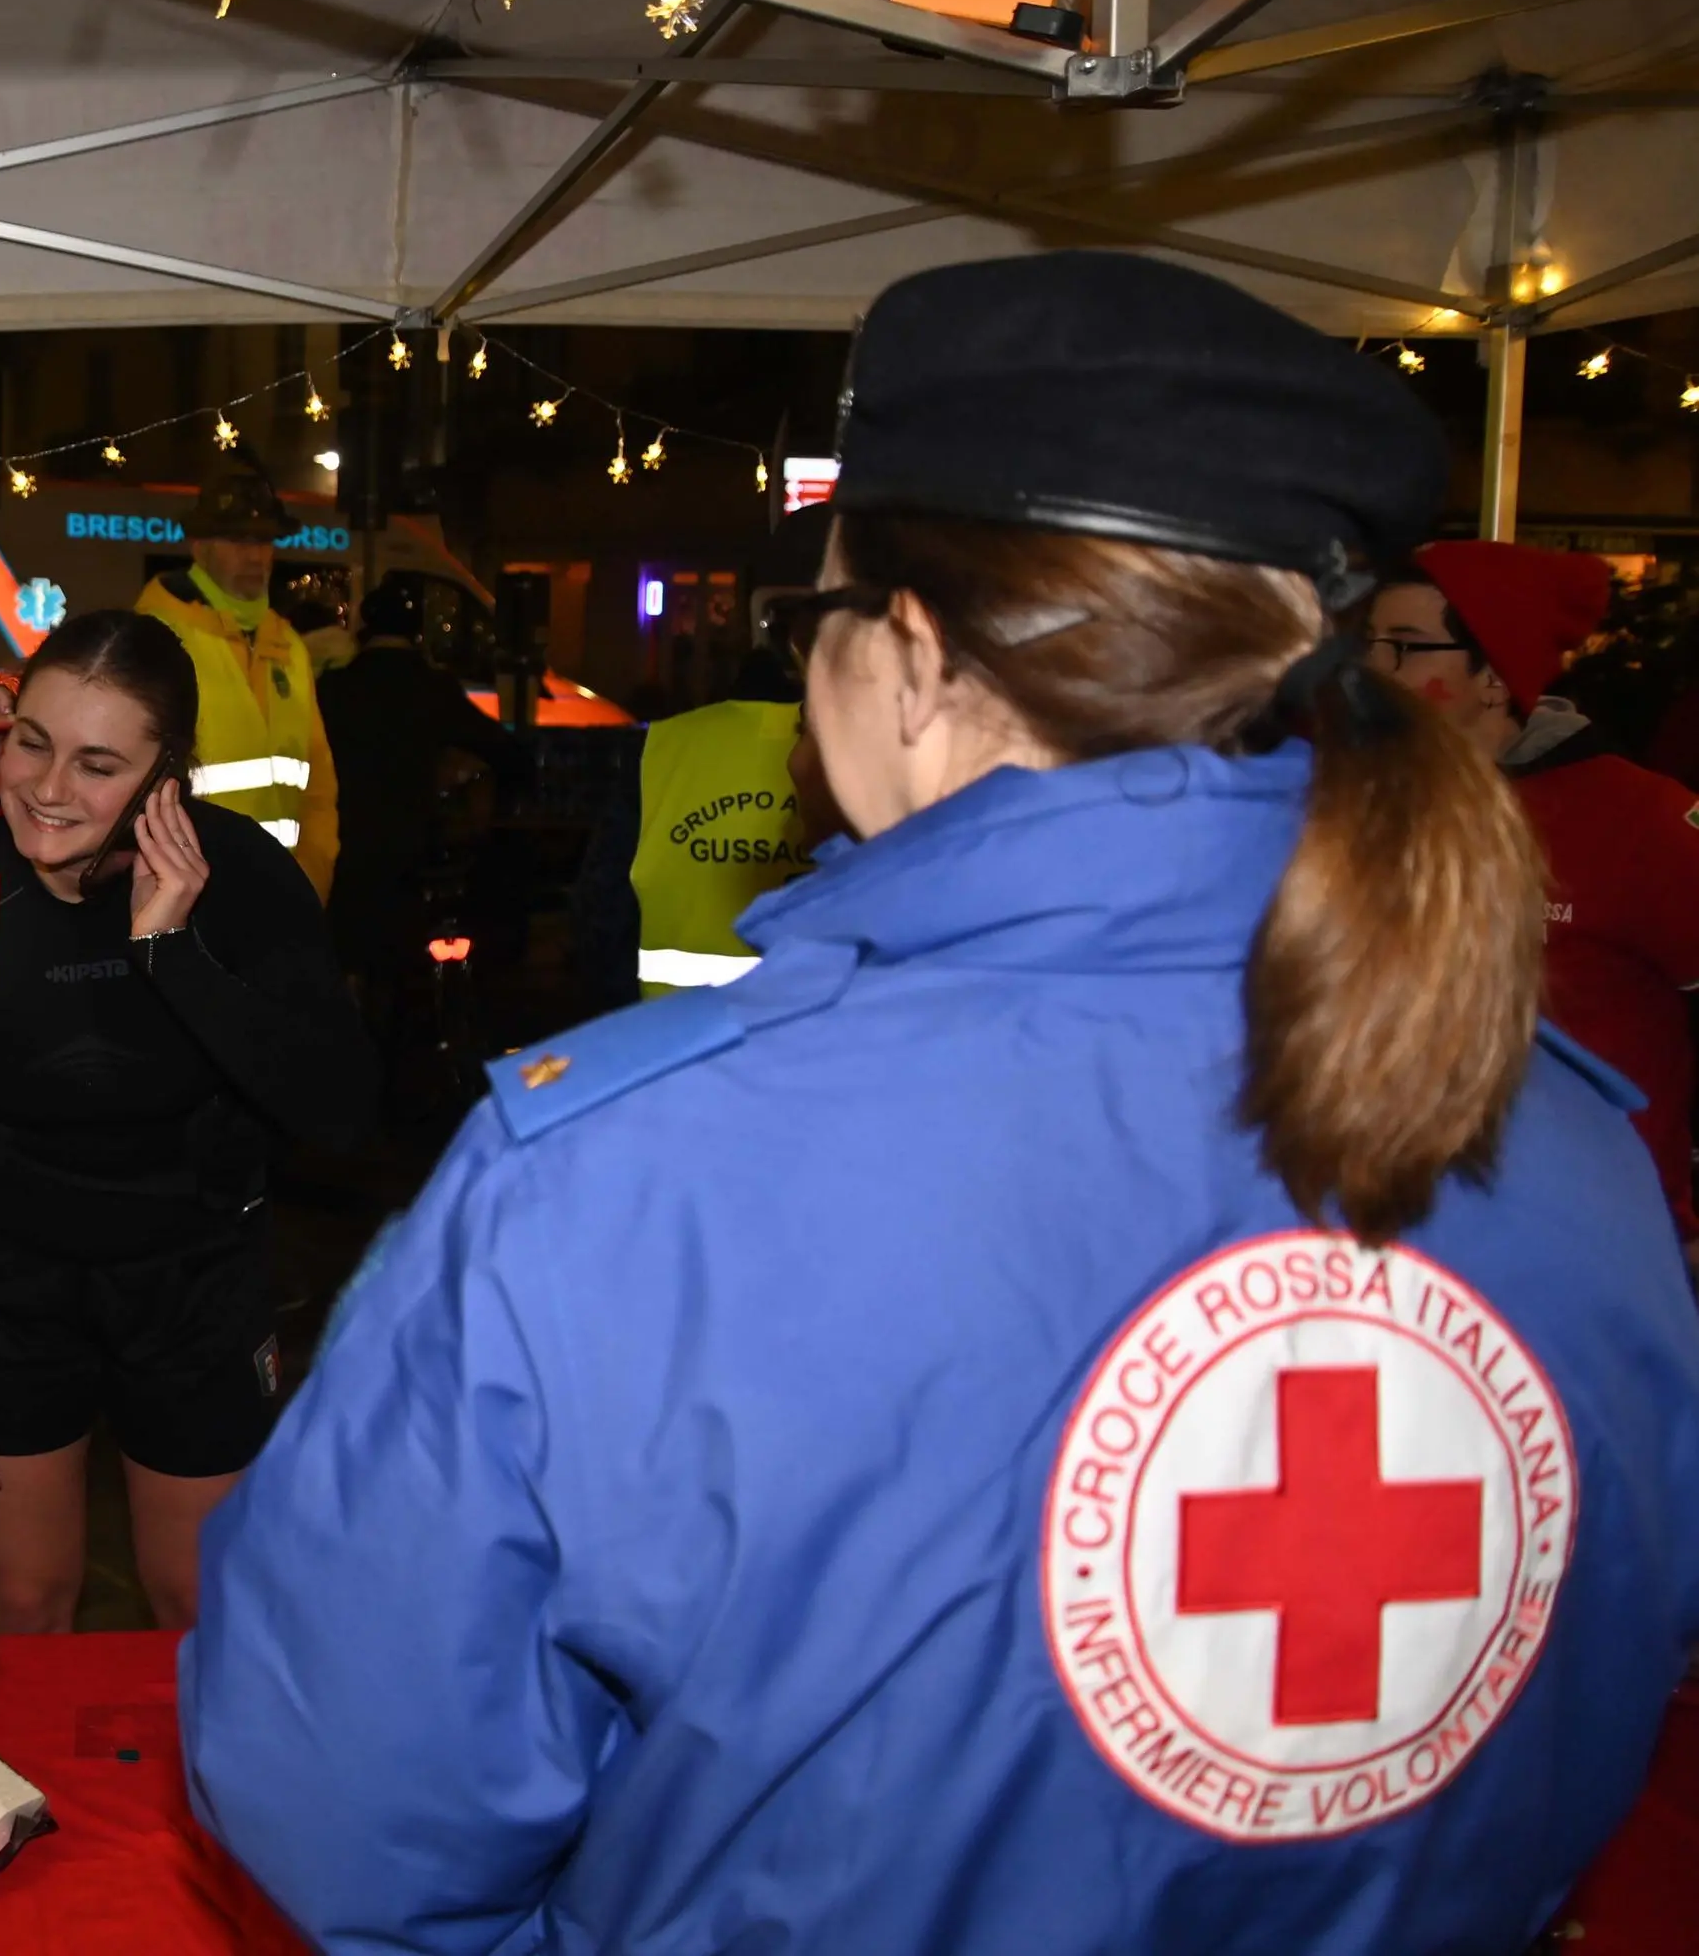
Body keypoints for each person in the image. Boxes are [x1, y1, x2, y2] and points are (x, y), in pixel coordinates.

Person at [182, 252, 1699, 1953]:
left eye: (805, 621)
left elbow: (348, 1805)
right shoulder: (1572, 1141)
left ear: (902, 654)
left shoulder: (620, 1180)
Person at [0, 610, 370, 1632]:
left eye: (99, 764)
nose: (51, 788)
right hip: (7, 1282)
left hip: (194, 1281)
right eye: (33, 742)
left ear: (170, 777)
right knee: (23, 1599)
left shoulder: (239, 877)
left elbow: (339, 1113)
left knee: (202, 1605)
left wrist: (171, 952)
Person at [1371, 541, 1699, 1237]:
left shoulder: (1641, 819)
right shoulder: (1369, 805)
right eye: (1367, 643)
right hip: (1420, 1222)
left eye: (1403, 647)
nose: (1373, 670)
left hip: (1604, 1233)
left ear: (1493, 676)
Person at [136, 448, 339, 901]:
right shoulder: (158, 638)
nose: (255, 556)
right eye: (238, 541)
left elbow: (318, 784)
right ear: (200, 546)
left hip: (281, 895)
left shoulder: (288, 645)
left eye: (264, 541)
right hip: (193, 900)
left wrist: (312, 879)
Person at [316, 571, 508, 1049]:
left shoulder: (336, 688)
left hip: (345, 850)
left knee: (348, 961)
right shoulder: (434, 688)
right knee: (404, 966)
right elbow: (500, 748)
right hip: (414, 852)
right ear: (416, 635)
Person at [602, 644, 814, 997]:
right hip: (813, 1021)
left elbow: (604, 905)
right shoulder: (838, 748)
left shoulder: (659, 747)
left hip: (673, 1027)